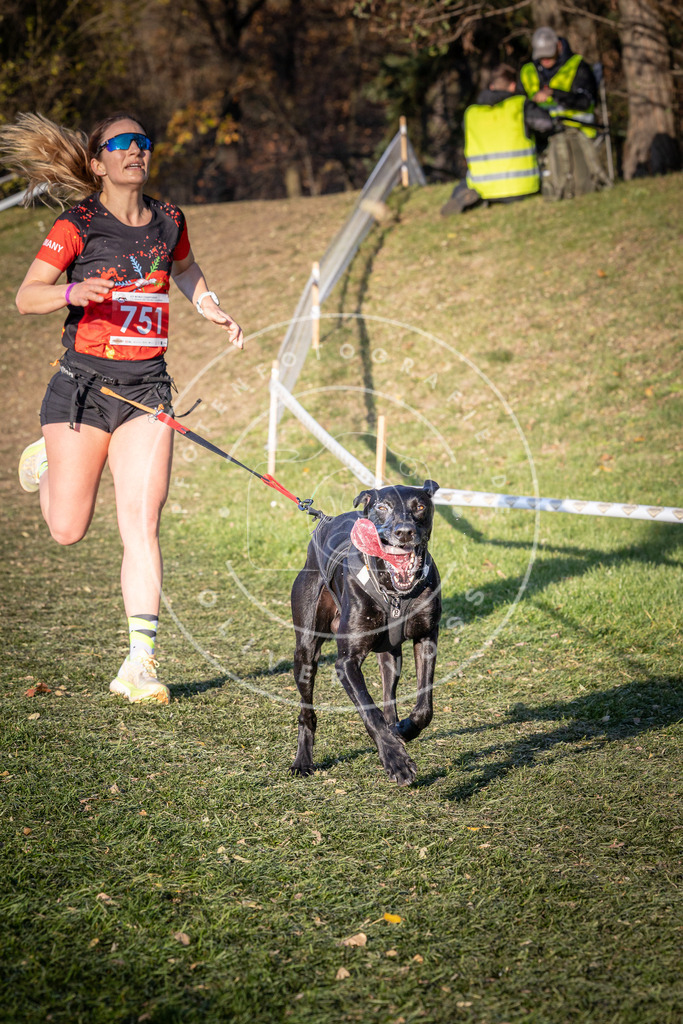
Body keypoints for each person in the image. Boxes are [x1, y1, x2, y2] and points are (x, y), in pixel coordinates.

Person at [0, 111, 244, 705]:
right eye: (122, 144)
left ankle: (140, 662)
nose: (137, 151)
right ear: (97, 161)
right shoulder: (77, 222)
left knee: (142, 522)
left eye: (143, 142)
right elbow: (24, 296)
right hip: (82, 390)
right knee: (67, 529)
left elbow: (184, 270)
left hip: (147, 395)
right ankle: (52, 458)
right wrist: (70, 291)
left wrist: (206, 301)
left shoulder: (169, 220)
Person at [441, 64, 555, 216]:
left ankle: (463, 194)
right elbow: (547, 125)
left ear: (492, 86)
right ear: (513, 86)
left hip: (483, 189)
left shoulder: (471, 114)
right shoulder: (520, 105)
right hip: (523, 187)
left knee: (463, 184)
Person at [520, 27, 597, 138]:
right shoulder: (528, 71)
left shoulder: (577, 66)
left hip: (578, 134)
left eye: (549, 53)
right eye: (541, 55)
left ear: (559, 46)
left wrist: (553, 93)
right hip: (542, 136)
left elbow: (584, 102)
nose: (545, 58)